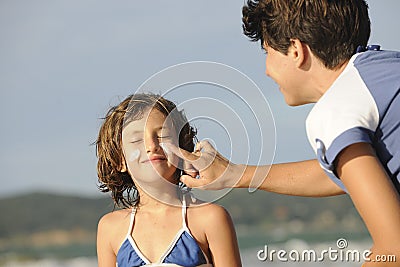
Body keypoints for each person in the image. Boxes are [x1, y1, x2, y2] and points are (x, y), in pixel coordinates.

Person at [162, 0, 400, 266]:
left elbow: (394, 248)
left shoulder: (336, 109)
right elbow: (347, 173)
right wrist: (234, 173)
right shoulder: (385, 70)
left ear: (296, 51)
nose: (266, 69)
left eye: (268, 52)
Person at [95, 93, 241, 267]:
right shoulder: (110, 228)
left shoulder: (210, 218)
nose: (152, 146)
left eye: (162, 136)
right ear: (120, 161)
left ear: (181, 148)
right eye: (136, 140)